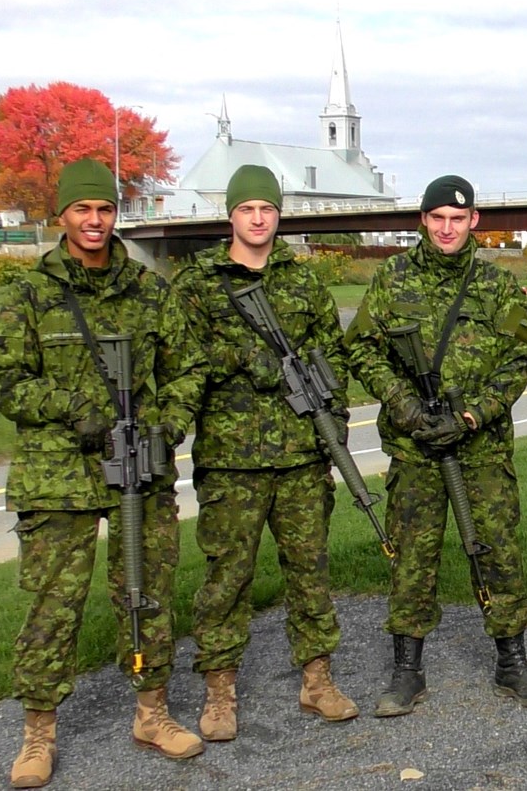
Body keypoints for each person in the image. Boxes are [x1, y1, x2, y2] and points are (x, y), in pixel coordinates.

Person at [0, 159, 207, 788]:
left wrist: (165, 425)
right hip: (59, 479)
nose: (94, 221)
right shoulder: (32, 294)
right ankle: (38, 734)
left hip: (141, 470)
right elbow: (3, 381)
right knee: (54, 607)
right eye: (82, 209)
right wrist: (70, 410)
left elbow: (190, 367)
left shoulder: (149, 290)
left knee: (148, 593)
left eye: (105, 209)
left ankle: (152, 713)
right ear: (62, 215)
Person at [345, 174, 527, 714]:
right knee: (413, 559)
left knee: (498, 555)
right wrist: (404, 406)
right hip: (416, 451)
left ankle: (512, 662)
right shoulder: (391, 279)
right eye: (437, 218)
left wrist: (472, 415)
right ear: (423, 220)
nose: (446, 228)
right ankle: (406, 671)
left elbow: (520, 358)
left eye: (457, 219)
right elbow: (363, 351)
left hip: (480, 452)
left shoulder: (498, 286)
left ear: (473, 223)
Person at [169, 165, 359, 743]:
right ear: (231, 214)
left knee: (309, 573)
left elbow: (333, 360)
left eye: (268, 209)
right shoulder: (198, 283)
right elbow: (183, 361)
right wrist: (249, 362)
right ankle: (220, 692)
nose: (258, 218)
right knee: (228, 578)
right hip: (232, 461)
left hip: (302, 457)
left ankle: (317, 679)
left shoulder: (302, 284)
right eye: (247, 208)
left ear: (279, 215)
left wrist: (336, 427)